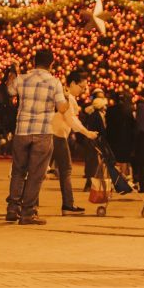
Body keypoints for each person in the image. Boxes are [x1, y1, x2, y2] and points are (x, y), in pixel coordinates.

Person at [5, 49, 69, 225]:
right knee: (36, 174)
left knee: (18, 171)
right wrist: (66, 98)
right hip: (42, 132)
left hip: (22, 130)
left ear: (34, 61)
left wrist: (12, 75)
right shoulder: (54, 82)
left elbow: (10, 91)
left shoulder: (22, 78)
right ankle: (27, 213)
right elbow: (62, 108)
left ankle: (12, 208)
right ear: (51, 64)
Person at [52, 70, 98, 216]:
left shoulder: (61, 95)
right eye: (82, 87)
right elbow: (71, 120)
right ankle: (68, 204)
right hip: (58, 136)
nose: (83, 91)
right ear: (72, 83)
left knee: (38, 170)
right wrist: (87, 133)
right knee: (66, 170)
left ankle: (27, 203)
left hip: (50, 134)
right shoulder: (68, 98)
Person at [106, 90, 137, 179]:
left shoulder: (110, 109)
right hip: (126, 138)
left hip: (112, 137)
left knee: (114, 159)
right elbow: (133, 124)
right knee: (124, 159)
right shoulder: (130, 110)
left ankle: (114, 179)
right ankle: (123, 179)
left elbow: (108, 123)